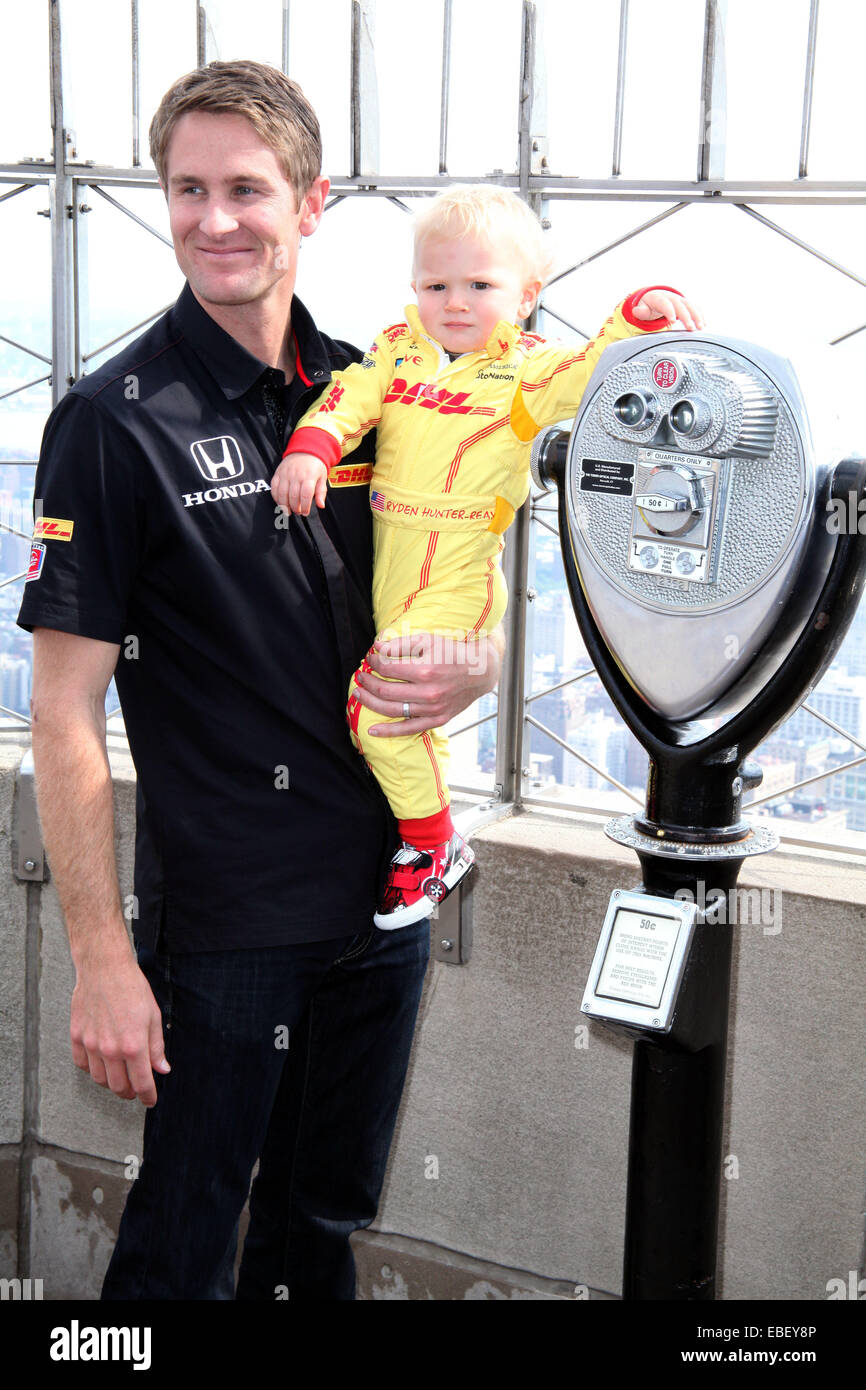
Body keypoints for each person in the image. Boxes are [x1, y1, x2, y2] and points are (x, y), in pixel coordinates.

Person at [17, 61, 502, 1301]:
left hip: (383, 906)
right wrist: (101, 959)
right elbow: (63, 707)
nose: (214, 219)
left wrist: (472, 667)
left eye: (245, 188)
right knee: (181, 1245)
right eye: (188, 188)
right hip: (227, 928)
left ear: (310, 201)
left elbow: (454, 587)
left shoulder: (377, 390)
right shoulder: (113, 420)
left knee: (318, 1232)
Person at [271, 184, 704, 929]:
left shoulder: (526, 373)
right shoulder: (398, 349)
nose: (456, 302)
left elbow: (593, 370)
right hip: (394, 576)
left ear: (528, 296)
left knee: (375, 708)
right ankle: (414, 840)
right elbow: (348, 399)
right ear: (415, 288)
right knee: (406, 720)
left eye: (481, 285)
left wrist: (639, 309)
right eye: (437, 285)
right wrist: (312, 447)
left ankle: (432, 847)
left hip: (460, 582)